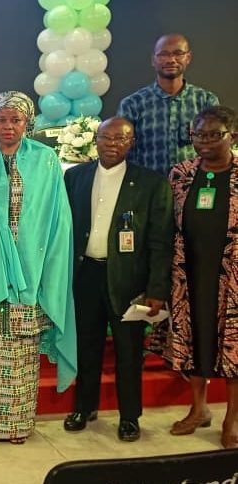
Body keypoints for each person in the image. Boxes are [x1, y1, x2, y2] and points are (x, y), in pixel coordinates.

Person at [0, 91, 77, 444]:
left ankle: (18, 426)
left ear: (27, 123)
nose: (8, 126)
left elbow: (56, 219)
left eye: (15, 120)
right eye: (1, 119)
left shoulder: (45, 160)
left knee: (22, 353)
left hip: (30, 271)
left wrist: (49, 267)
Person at [62, 117, 173, 442]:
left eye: (120, 139)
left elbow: (161, 241)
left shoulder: (151, 183)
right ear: (95, 140)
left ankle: (129, 417)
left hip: (128, 280)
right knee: (87, 345)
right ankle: (84, 407)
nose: (112, 144)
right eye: (106, 138)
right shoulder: (75, 176)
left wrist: (156, 289)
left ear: (131, 143)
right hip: (85, 275)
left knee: (128, 351)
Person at [165, 105, 238, 448]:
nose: (204, 142)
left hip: (233, 277)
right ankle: (199, 409)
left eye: (213, 135)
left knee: (234, 345)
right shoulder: (181, 174)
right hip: (189, 273)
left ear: (232, 136)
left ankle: (232, 419)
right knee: (194, 339)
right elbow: (168, 223)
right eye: (198, 135)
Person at [118, 34, 220, 177]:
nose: (171, 60)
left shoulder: (206, 101)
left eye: (178, 53)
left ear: (188, 57)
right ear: (153, 60)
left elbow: (216, 148)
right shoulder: (132, 104)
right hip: (147, 186)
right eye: (163, 54)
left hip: (194, 184)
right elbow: (123, 152)